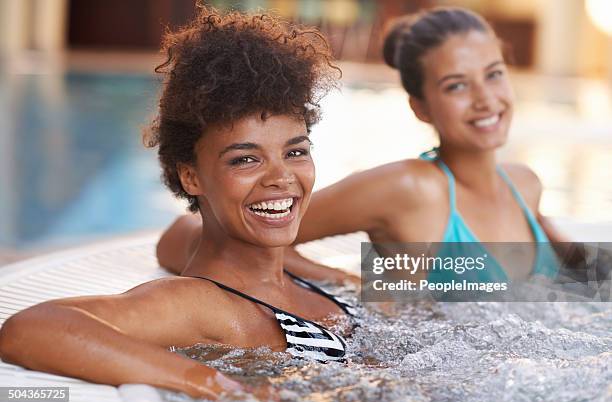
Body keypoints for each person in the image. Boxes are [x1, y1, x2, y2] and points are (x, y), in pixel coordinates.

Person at [0, 6, 352, 401]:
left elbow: (179, 232)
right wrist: (217, 386)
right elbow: (31, 327)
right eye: (245, 159)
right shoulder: (203, 303)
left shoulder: (271, 273)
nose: (281, 177)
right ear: (191, 176)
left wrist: (327, 274)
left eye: (296, 152)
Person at [158, 7, 565, 284]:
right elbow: (182, 237)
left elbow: (575, 276)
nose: (485, 99)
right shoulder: (407, 189)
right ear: (420, 107)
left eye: (494, 75)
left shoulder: (525, 185)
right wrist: (352, 287)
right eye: (456, 85)